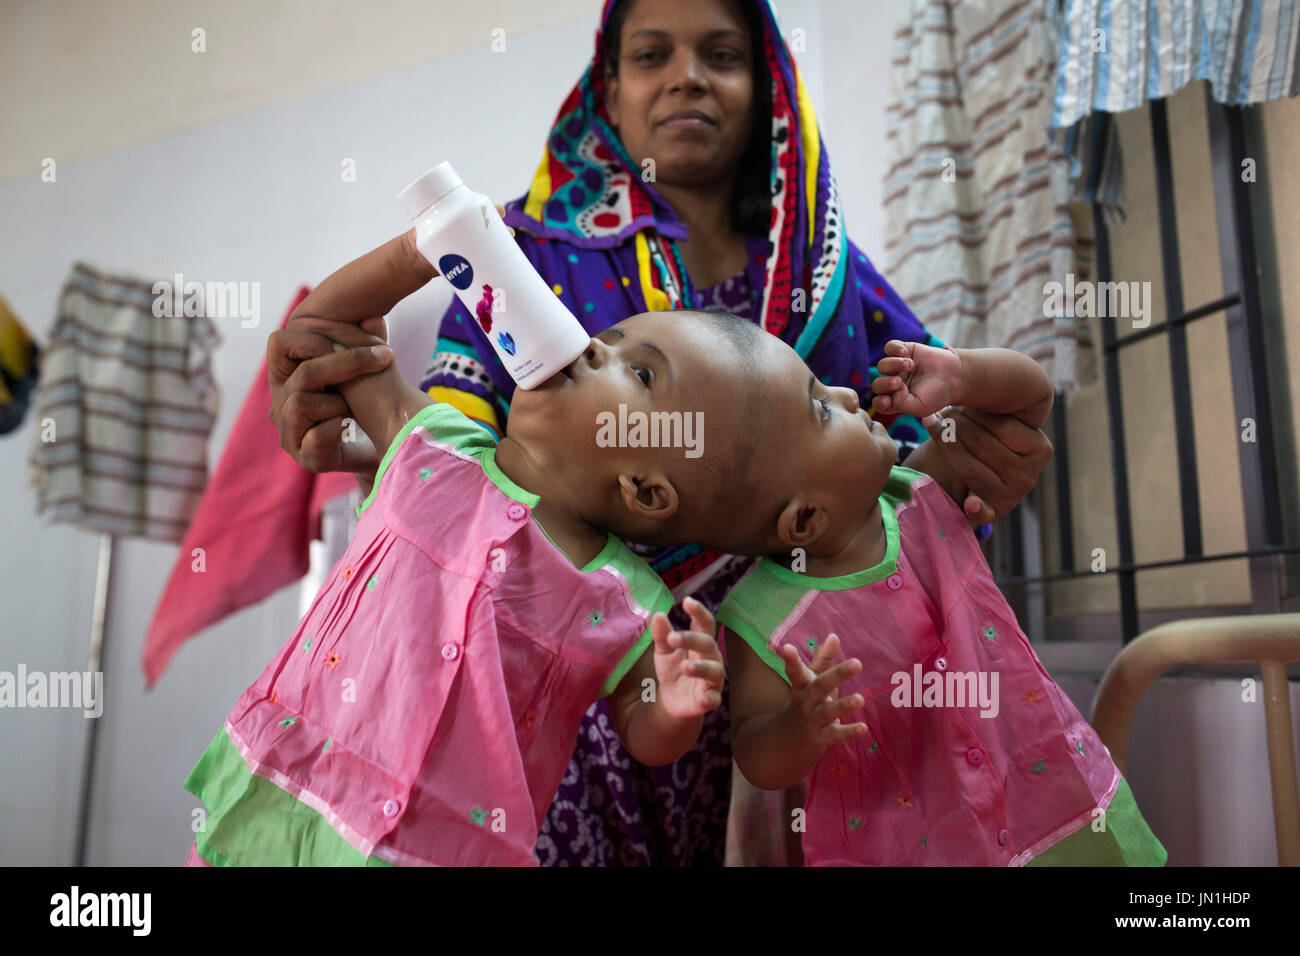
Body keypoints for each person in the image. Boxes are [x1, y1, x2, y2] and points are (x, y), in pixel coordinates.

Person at [266, 0, 1054, 866]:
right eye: (651, 55)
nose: (688, 75)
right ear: (609, 83)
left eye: (722, 53)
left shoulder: (828, 271)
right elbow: (465, 467)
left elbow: (928, 454)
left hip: (780, 709)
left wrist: (986, 463)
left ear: (767, 84)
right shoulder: (529, 256)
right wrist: (352, 422)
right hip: (558, 696)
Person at [185, 255, 779, 864]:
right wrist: (419, 251)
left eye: (643, 374)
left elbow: (643, 727)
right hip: (287, 795)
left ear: (645, 489)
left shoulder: (624, 597)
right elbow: (324, 325)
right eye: (609, 339)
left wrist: (676, 706)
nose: (591, 349)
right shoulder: (433, 442)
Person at [715, 335, 1166, 865]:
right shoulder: (759, 618)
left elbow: (1029, 403)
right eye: (820, 408)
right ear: (804, 518)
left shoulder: (923, 489)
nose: (846, 395)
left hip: (1049, 804)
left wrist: (962, 375)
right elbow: (756, 757)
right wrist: (798, 726)